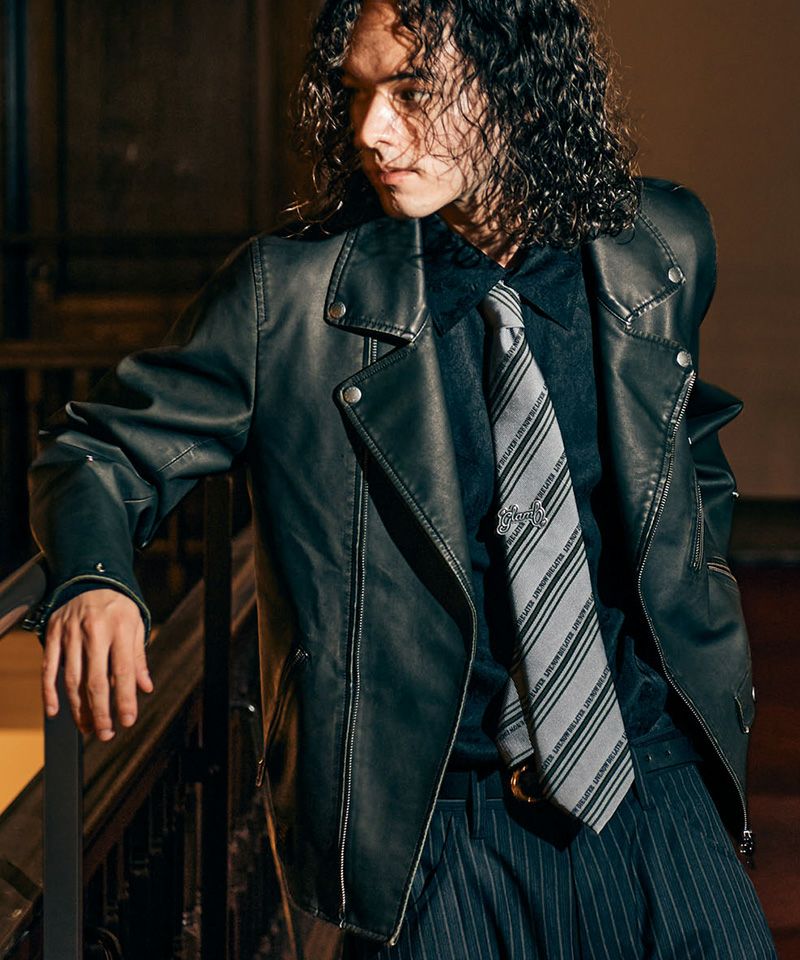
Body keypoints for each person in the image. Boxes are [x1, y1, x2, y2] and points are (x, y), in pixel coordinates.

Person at [28, 0, 777, 956]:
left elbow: (689, 446)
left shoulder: (657, 245)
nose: (373, 132)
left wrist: (702, 589)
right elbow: (99, 450)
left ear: (516, 85)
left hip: (647, 771)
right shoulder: (291, 298)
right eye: (358, 93)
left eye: (413, 91)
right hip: (432, 815)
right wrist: (94, 578)